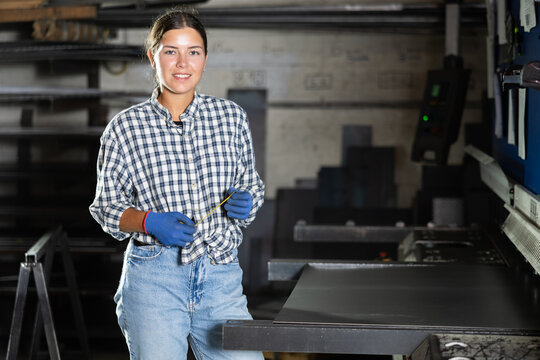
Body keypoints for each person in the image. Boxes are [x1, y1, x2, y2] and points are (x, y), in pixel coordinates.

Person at [89, 7, 265, 360]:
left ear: (204, 58)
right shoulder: (126, 128)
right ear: (154, 56)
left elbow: (252, 185)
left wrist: (248, 201)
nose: (182, 63)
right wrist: (148, 221)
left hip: (220, 276)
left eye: (193, 52)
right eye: (171, 51)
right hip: (154, 279)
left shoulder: (230, 117)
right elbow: (105, 207)